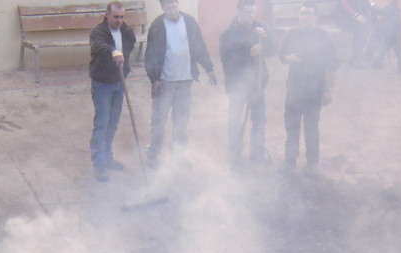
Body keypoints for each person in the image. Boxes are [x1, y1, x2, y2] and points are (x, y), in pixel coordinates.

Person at [144, 0, 217, 168]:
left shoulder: (190, 22)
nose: (172, 10)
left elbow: (199, 46)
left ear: (178, 4)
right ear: (163, 8)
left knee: (181, 121)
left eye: (174, 6)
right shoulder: (157, 25)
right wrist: (154, 78)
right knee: (159, 120)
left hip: (185, 80)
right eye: (168, 8)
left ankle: (178, 156)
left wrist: (208, 68)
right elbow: (151, 54)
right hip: (165, 82)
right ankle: (153, 155)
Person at [280, 2, 339, 173]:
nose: (305, 17)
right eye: (303, 13)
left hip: (314, 90)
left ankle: (312, 163)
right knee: (291, 127)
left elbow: (333, 65)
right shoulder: (291, 34)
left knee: (311, 128)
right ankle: (289, 161)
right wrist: (287, 58)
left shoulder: (324, 37)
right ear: (299, 16)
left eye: (309, 14)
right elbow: (281, 55)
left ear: (316, 17)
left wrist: (329, 90)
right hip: (294, 90)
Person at [219, 0, 275, 167]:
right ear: (238, 12)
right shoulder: (228, 33)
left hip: (257, 84)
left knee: (259, 119)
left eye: (253, 12)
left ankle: (257, 153)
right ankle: (235, 152)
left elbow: (273, 50)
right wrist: (248, 54)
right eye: (247, 13)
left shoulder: (260, 27)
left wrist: (265, 37)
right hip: (237, 86)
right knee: (235, 120)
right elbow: (227, 61)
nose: (251, 16)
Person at [88, 1, 137, 182]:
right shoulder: (98, 32)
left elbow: (130, 45)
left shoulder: (126, 30)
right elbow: (98, 45)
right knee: (101, 124)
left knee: (113, 123)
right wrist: (113, 52)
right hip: (102, 84)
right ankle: (99, 164)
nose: (119, 21)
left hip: (119, 83)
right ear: (107, 15)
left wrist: (125, 66)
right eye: (116, 17)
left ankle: (108, 158)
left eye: (122, 17)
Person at [370, 0, 401, 73]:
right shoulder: (397, 10)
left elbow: (378, 10)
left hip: (389, 35)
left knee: (383, 50)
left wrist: (371, 3)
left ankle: (377, 65)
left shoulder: (388, 9)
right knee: (399, 52)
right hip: (397, 35)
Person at [338, 0, 372, 68]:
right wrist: (356, 16)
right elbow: (345, 3)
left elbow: (368, 3)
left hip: (360, 19)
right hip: (350, 19)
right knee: (358, 40)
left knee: (361, 39)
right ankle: (357, 61)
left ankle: (355, 59)